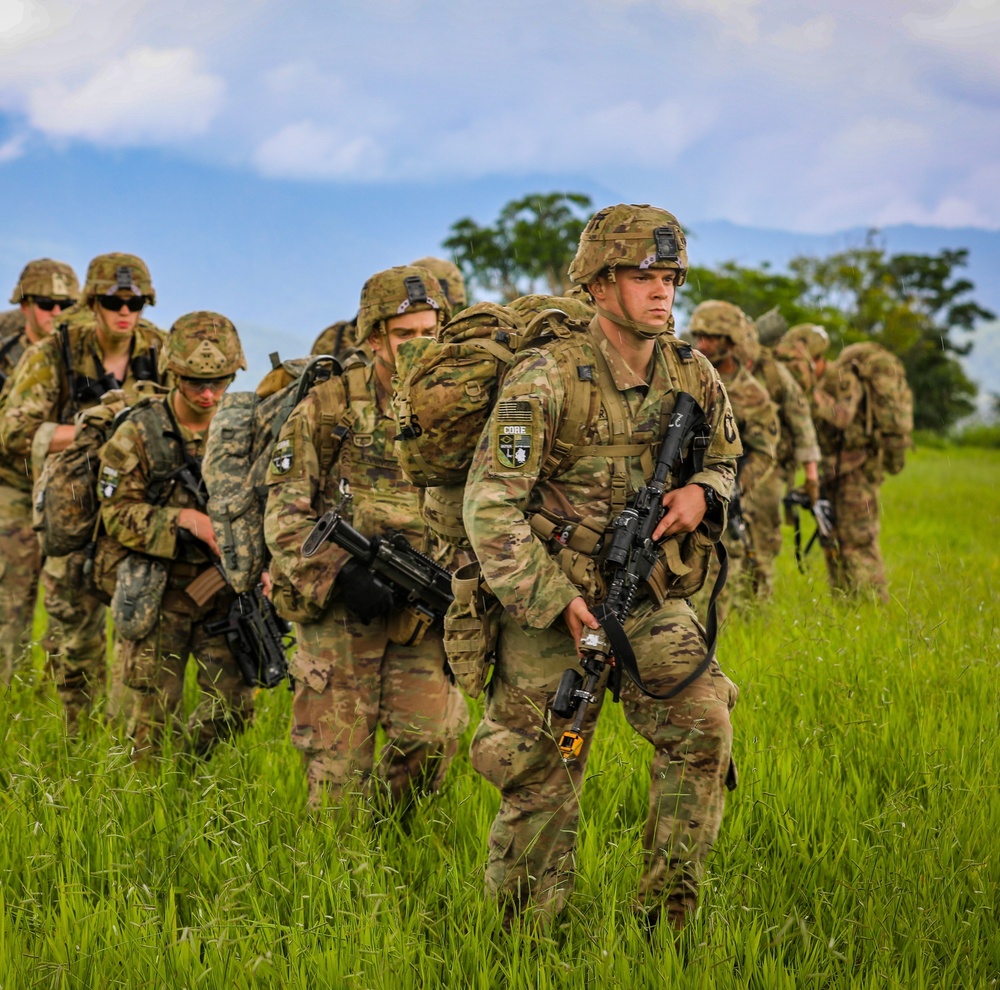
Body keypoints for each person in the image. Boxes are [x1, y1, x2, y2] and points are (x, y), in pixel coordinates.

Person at [463, 204, 741, 931]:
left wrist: (699, 495)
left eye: (671, 276)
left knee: (705, 725)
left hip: (648, 597)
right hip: (553, 605)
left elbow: (727, 460)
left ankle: (664, 926)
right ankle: (522, 944)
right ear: (598, 282)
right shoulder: (546, 378)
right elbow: (490, 507)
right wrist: (557, 600)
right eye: (644, 276)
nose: (663, 292)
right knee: (541, 773)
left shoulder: (692, 370)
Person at [265, 265, 468, 809]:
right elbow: (284, 513)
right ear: (375, 337)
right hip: (339, 611)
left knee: (431, 737)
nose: (418, 348)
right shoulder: (329, 406)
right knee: (337, 768)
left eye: (430, 334)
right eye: (405, 336)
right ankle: (335, 879)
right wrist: (339, 574)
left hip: (420, 608)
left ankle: (396, 852)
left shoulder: (458, 409)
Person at [0, 253, 164, 726]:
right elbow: (13, 432)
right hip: (62, 499)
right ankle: (66, 734)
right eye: (113, 300)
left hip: (133, 503)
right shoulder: (55, 352)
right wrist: (92, 433)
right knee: (70, 629)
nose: (125, 312)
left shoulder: (158, 350)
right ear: (93, 302)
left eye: (137, 303)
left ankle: (127, 740)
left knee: (141, 629)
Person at [96, 312, 255, 757]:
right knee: (146, 725)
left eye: (219, 382)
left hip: (225, 595)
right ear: (172, 373)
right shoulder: (139, 431)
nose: (208, 394)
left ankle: (194, 783)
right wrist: (184, 520)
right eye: (193, 382)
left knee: (231, 710)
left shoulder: (245, 428)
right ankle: (149, 808)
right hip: (158, 592)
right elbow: (116, 513)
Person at [0, 259, 80, 683]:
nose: (56, 313)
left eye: (66, 304)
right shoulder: (5, 347)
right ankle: (6, 698)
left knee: (68, 605)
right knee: (9, 601)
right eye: (47, 304)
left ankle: (56, 703)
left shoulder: (81, 351)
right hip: (12, 484)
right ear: (26, 304)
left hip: (68, 490)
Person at [794, 326, 911, 602]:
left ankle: (872, 606)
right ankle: (846, 604)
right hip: (831, 474)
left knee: (858, 542)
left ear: (817, 359)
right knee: (832, 539)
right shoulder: (816, 384)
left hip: (857, 472)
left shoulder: (842, 379)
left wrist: (809, 395)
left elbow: (842, 416)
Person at [688, 301, 780, 609]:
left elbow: (765, 453)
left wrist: (733, 488)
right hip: (681, 494)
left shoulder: (753, 395)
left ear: (731, 341)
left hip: (723, 498)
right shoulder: (690, 379)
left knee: (718, 586)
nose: (703, 344)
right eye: (700, 336)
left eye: (712, 337)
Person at [741, 312, 821, 597]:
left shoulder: (775, 373)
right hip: (722, 464)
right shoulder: (713, 367)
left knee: (763, 535)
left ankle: (756, 601)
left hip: (768, 467)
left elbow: (802, 423)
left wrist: (811, 476)